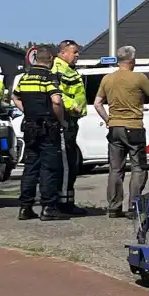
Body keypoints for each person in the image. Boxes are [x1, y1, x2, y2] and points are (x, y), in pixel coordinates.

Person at [93, 45, 149, 218]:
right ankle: (134, 206)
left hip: (114, 128)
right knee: (138, 168)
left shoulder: (107, 79)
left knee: (115, 169)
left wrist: (108, 120)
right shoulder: (138, 78)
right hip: (133, 127)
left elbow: (98, 103)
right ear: (132, 60)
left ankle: (114, 207)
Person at [11, 46, 69, 222]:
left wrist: (27, 111)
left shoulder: (25, 77)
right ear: (50, 59)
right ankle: (48, 208)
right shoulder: (49, 77)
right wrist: (62, 120)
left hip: (29, 127)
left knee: (30, 167)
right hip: (47, 127)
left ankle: (25, 208)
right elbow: (56, 101)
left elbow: (15, 97)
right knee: (49, 168)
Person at [52, 40, 87, 215]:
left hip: (71, 120)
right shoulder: (58, 68)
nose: (77, 55)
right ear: (63, 53)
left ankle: (68, 200)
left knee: (71, 163)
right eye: (74, 52)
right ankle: (64, 204)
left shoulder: (68, 68)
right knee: (66, 164)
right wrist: (72, 105)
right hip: (65, 120)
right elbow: (56, 93)